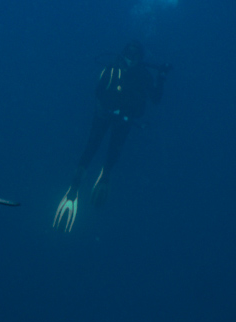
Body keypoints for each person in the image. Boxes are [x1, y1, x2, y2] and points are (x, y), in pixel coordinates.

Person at [53, 40, 171, 232]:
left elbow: (156, 99)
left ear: (141, 58)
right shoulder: (113, 68)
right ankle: (74, 188)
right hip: (105, 116)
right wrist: (107, 110)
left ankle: (104, 176)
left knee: (111, 151)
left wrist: (162, 77)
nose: (131, 59)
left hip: (124, 119)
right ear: (124, 53)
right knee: (91, 147)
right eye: (129, 54)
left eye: (136, 56)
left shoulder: (143, 74)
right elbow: (99, 91)